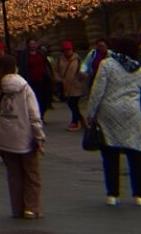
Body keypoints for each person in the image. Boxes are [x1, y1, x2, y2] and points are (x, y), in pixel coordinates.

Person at [0, 52, 44, 220]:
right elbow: (34, 114)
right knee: (32, 175)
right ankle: (31, 208)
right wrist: (39, 137)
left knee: (14, 175)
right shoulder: (25, 87)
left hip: (5, 137)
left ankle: (17, 208)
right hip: (25, 136)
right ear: (15, 67)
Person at [85, 36, 141, 207]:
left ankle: (113, 194)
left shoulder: (107, 65)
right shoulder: (137, 68)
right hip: (132, 111)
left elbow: (98, 90)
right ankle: (139, 194)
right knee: (135, 154)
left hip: (109, 112)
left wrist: (91, 113)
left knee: (110, 154)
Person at [56, 41, 88, 130]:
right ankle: (80, 120)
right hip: (65, 85)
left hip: (76, 84)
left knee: (73, 103)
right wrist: (59, 79)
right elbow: (56, 70)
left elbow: (83, 69)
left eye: (69, 49)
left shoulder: (77, 59)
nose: (68, 51)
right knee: (71, 103)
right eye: (66, 50)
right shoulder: (60, 59)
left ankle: (75, 122)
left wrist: (83, 75)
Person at [27, 43, 52, 119]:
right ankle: (38, 115)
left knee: (44, 97)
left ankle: (42, 112)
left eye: (34, 43)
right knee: (36, 98)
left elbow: (47, 65)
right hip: (32, 80)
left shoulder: (41, 54)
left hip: (43, 79)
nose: (33, 45)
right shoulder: (26, 56)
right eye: (31, 44)